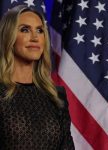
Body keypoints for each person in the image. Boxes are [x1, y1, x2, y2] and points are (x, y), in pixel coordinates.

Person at [0, 5, 75, 150]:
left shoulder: (56, 95)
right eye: (25, 30)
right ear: (8, 37)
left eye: (40, 30)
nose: (35, 37)